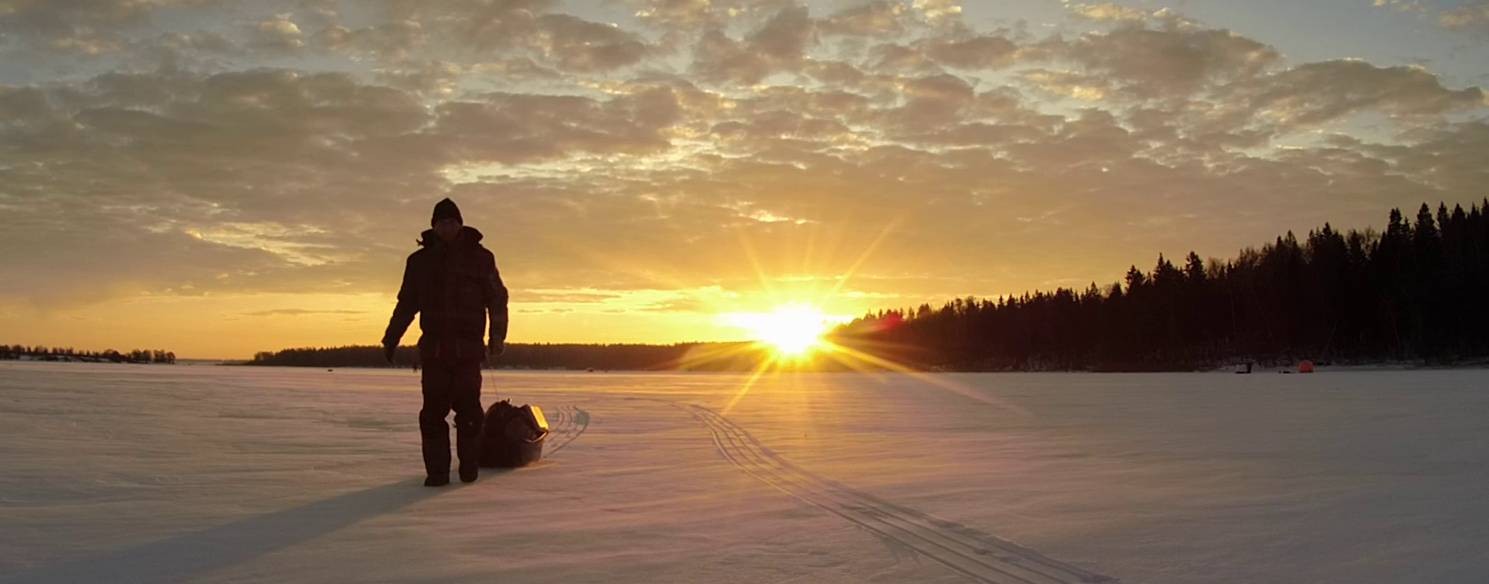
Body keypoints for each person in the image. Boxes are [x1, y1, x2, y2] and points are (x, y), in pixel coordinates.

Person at [383, 198, 509, 487]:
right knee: (432, 415)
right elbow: (406, 305)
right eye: (441, 223)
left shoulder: (481, 258)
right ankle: (438, 473)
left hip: (467, 353)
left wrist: (497, 336)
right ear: (433, 226)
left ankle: (469, 468)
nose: (446, 227)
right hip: (435, 354)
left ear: (460, 224)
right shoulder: (418, 262)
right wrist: (391, 338)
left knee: (469, 414)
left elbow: (497, 299)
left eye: (452, 222)